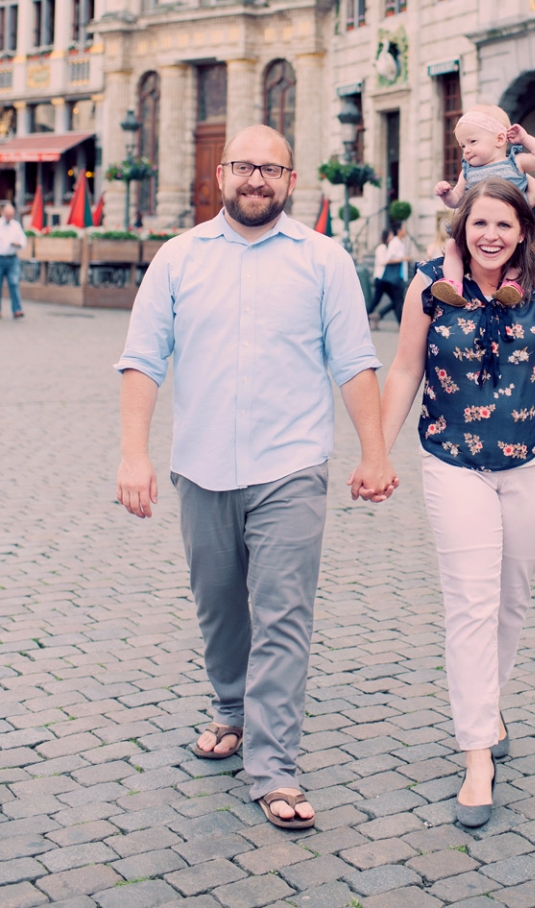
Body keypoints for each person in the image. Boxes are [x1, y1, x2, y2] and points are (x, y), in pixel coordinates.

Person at [115, 125, 397, 831]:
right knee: (218, 604)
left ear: (291, 180)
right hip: (201, 465)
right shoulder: (177, 260)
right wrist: (133, 454)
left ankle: (273, 767)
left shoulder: (324, 260)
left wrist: (374, 452)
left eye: (272, 169)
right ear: (222, 173)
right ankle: (232, 707)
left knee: (283, 614)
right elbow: (142, 360)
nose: (257, 181)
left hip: (291, 466)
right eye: (245, 167)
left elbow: (354, 360)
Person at [380, 175, 535, 827]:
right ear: (462, 226)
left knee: (511, 598)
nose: (490, 235)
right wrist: (376, 450)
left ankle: (486, 704)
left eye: (504, 225)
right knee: (471, 603)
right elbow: (405, 369)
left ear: (523, 232)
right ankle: (477, 754)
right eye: (479, 223)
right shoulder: (431, 285)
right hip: (454, 461)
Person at [432, 104, 535, 307]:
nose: (466, 150)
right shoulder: (467, 172)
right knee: (452, 246)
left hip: (512, 232)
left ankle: (511, 287)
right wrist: (446, 194)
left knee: (522, 256)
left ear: (499, 139)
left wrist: (525, 139)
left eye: (472, 142)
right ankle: (453, 284)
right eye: (462, 146)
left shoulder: (516, 163)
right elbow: (457, 200)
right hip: (475, 232)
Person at [0, 202, 26, 319]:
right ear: (2, 213)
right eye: (7, 214)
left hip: (13, 258)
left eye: (11, 215)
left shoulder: (16, 225)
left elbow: (23, 239)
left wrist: (18, 244)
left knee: (14, 283)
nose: (9, 217)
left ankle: (17, 309)